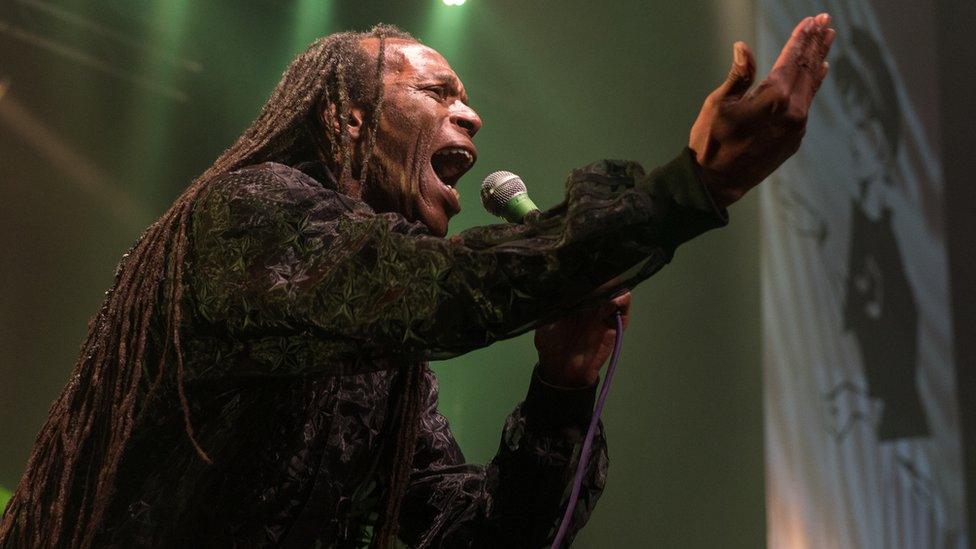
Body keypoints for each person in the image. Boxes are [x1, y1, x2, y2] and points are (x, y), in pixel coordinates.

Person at [0, 14, 835, 549]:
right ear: (351, 117)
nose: (470, 115)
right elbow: (441, 288)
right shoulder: (247, 214)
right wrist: (691, 186)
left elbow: (481, 538)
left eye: (466, 99)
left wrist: (560, 393)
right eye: (437, 91)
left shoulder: (385, 372)